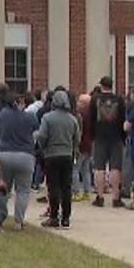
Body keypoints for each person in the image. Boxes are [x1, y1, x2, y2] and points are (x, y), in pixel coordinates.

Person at [37, 89, 81, 230]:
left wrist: (43, 149)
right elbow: (77, 139)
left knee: (53, 187)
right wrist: (72, 150)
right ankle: (66, 218)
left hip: (51, 155)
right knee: (66, 188)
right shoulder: (72, 119)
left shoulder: (47, 118)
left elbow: (42, 136)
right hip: (67, 155)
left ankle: (54, 217)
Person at [0, 92, 39, 231]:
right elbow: (36, 134)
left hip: (4, 153)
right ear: (20, 102)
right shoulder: (30, 116)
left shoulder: (3, 114)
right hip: (25, 155)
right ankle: (18, 222)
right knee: (23, 191)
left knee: (4, 190)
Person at [89, 76, 128, 208]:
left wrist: (92, 135)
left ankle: (100, 197)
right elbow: (123, 119)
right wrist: (123, 137)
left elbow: (91, 119)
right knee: (116, 167)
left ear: (101, 86)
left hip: (99, 136)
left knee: (99, 168)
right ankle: (116, 197)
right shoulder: (119, 100)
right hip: (116, 136)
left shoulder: (94, 99)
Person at [71, 93, 94, 202]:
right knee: (86, 170)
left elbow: (78, 131)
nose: (78, 104)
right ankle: (86, 191)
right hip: (89, 144)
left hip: (81, 145)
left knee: (75, 169)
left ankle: (75, 192)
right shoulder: (92, 114)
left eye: (80, 102)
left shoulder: (80, 115)